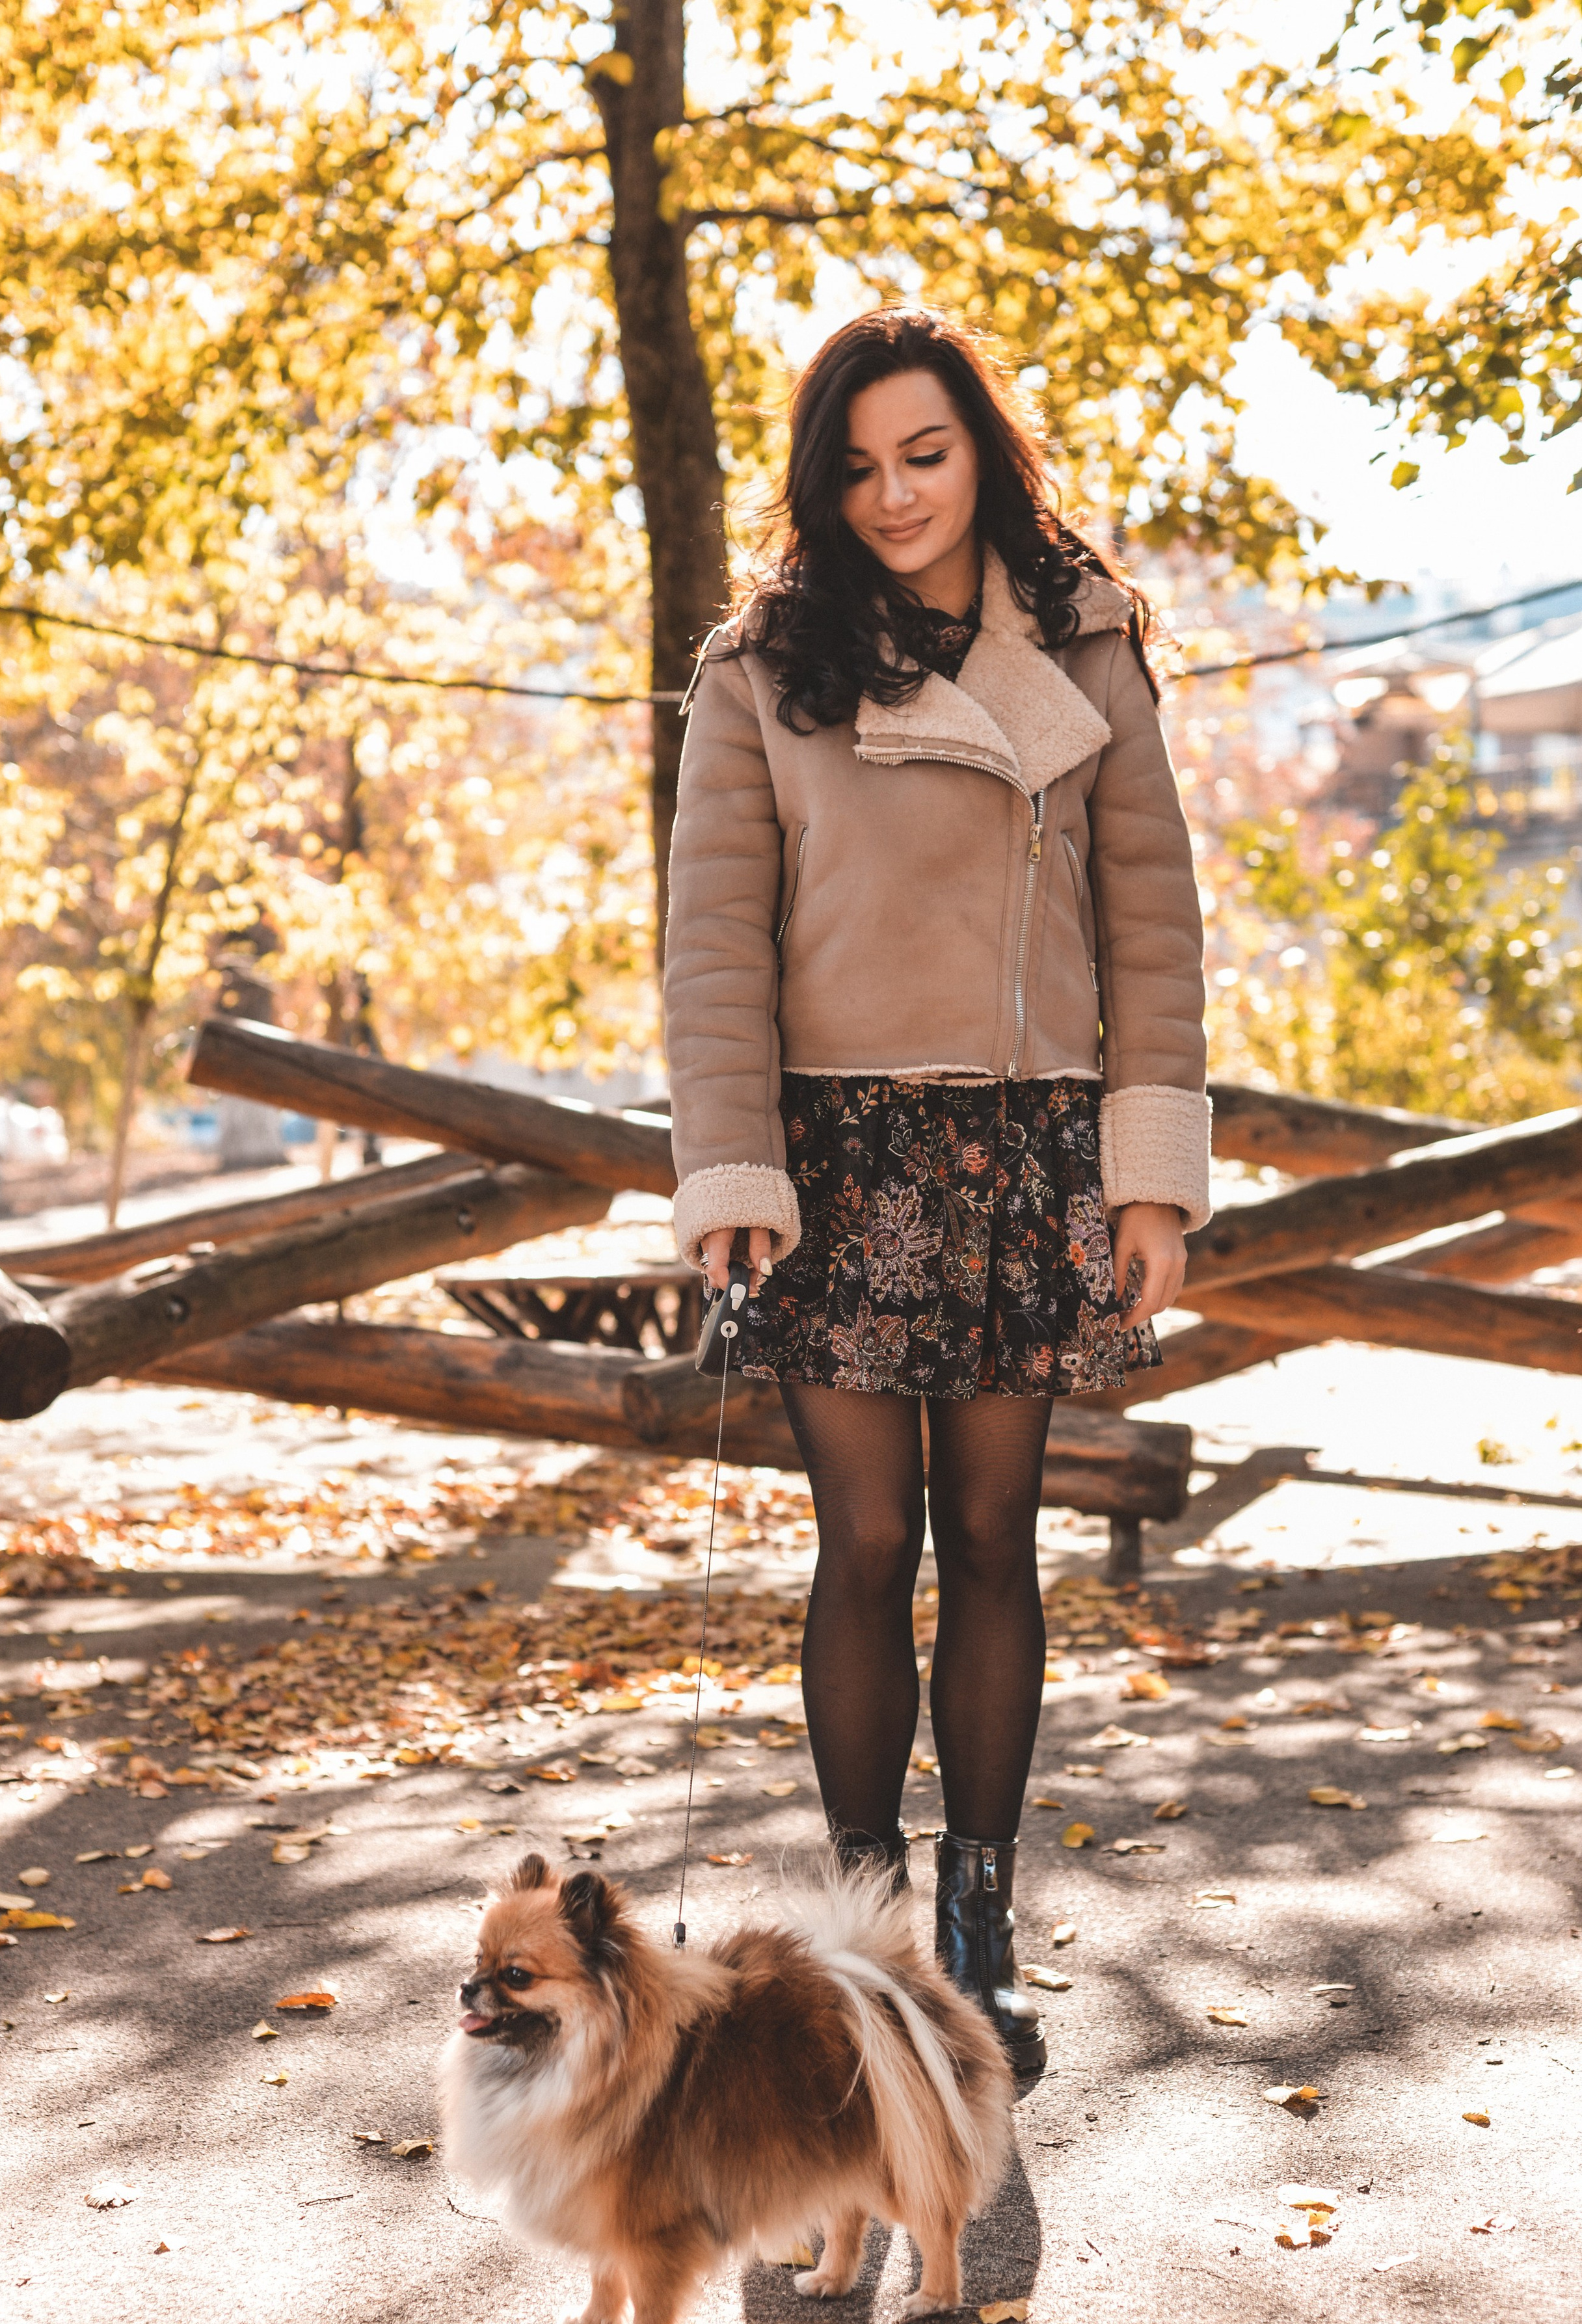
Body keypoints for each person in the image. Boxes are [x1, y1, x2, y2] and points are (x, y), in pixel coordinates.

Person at [663, 306, 1209, 2073]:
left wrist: (1151, 1179)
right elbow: (714, 944)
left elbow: (1155, 920)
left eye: (928, 451)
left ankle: (977, 1926)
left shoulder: (1088, 636)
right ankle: (866, 1932)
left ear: (982, 449)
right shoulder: (764, 663)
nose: (895, 493)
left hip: (1030, 1143)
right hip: (834, 1154)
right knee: (867, 1541)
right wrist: (732, 1159)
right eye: (860, 463)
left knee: (992, 1540)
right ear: (823, 481)